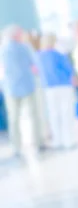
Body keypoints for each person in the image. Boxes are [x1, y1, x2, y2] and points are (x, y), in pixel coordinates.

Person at [0, 25, 44, 156]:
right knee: (33, 115)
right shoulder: (24, 48)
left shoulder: (3, 49)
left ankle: (17, 147)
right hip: (26, 86)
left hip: (11, 88)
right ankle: (38, 143)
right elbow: (34, 65)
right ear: (16, 35)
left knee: (14, 118)